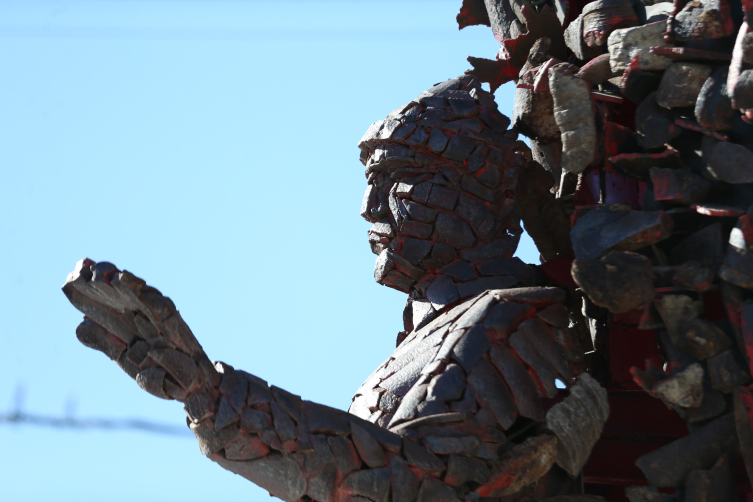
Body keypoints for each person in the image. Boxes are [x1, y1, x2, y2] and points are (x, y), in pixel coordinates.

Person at [63, 75, 608, 502]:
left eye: (401, 178)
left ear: (490, 191)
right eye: (372, 183)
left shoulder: (507, 323)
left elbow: (424, 485)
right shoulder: (442, 334)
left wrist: (215, 397)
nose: (371, 209)